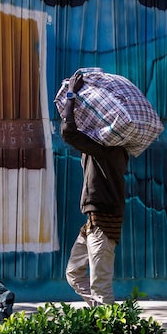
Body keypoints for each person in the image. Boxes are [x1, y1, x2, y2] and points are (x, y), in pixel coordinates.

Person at [61, 73, 129, 306]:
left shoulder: (107, 148)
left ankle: (107, 330)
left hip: (103, 224)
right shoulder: (112, 148)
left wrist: (72, 95)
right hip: (93, 222)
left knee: (100, 286)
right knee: (73, 273)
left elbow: (69, 132)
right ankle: (100, 316)